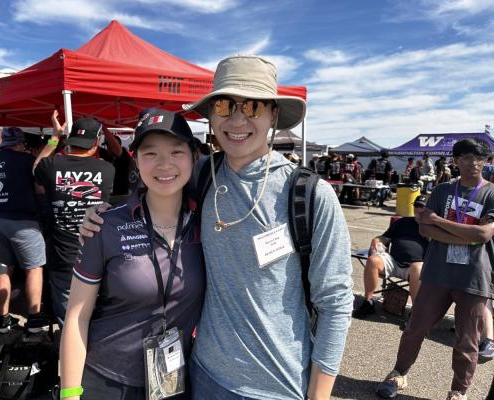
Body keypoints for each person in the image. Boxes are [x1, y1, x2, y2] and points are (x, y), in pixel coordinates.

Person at [82, 55, 353, 400]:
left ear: (273, 116)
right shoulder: (202, 175)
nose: (238, 119)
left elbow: (336, 303)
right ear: (211, 115)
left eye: (253, 107)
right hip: (203, 375)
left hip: (279, 385)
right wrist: (104, 214)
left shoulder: (309, 195)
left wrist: (319, 396)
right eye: (225, 105)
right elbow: (158, 183)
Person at [60, 109, 204, 400]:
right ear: (135, 160)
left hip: (174, 380)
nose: (164, 164)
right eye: (150, 154)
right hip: (106, 381)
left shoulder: (209, 225)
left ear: (193, 156)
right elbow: (77, 315)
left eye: (176, 151)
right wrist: (70, 393)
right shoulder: (104, 226)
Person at [376, 138, 494, 400]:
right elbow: (424, 228)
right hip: (437, 273)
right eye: (466, 157)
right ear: (456, 160)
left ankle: (458, 391)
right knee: (415, 328)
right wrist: (469, 235)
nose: (473, 163)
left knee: (467, 341)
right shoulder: (442, 191)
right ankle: (398, 373)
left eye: (480, 159)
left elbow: (485, 234)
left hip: (474, 277)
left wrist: (440, 222)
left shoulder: (491, 194)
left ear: (486, 162)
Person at [33, 112, 115, 324]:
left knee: (68, 316)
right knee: (98, 313)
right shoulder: (107, 169)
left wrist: (54, 137)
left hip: (62, 255)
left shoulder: (51, 166)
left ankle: (69, 352)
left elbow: (36, 168)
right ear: (96, 142)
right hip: (97, 252)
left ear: (71, 140)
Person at [0, 127, 48, 334]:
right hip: (22, 221)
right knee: (34, 268)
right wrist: (54, 141)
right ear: (20, 143)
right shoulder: (26, 160)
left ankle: (2, 320)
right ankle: (35, 319)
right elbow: (40, 179)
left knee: (3, 270)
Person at [352, 217, 427, 318]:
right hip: (394, 261)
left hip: (415, 266)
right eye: (416, 205)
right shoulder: (402, 222)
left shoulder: (432, 227)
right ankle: (368, 302)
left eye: (421, 206)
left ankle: (415, 313)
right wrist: (377, 239)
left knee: (417, 267)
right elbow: (385, 238)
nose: (418, 209)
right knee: (373, 260)